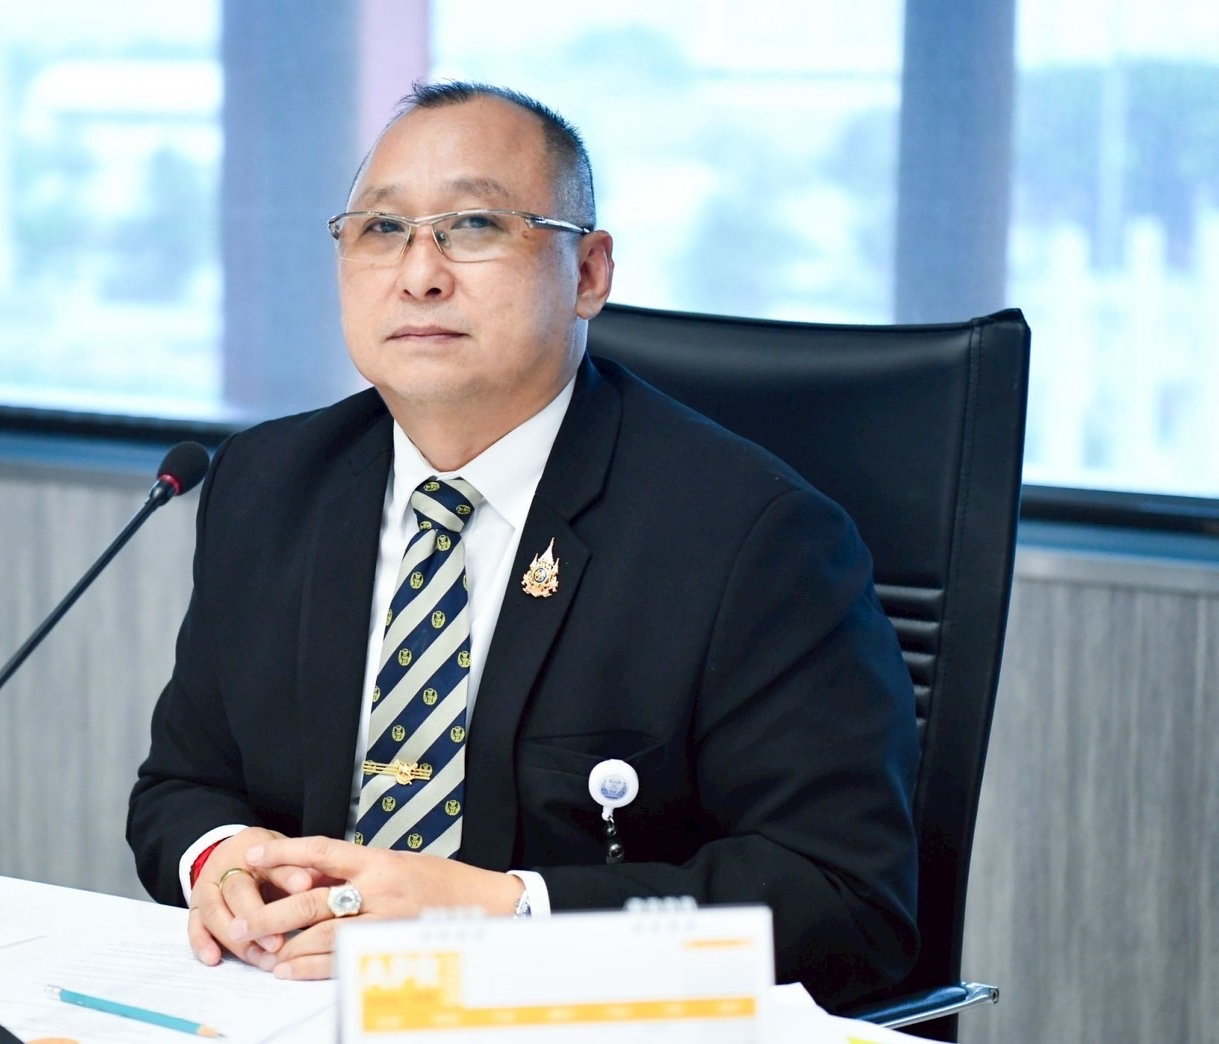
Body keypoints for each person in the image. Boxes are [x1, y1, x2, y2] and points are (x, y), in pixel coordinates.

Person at [127, 81, 919, 1010]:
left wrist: (503, 917)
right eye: (381, 229)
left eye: (472, 225)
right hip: (294, 1010)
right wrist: (225, 863)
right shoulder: (266, 484)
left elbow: (847, 904)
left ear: (589, 274)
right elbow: (182, 784)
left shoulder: (756, 537)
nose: (419, 274)